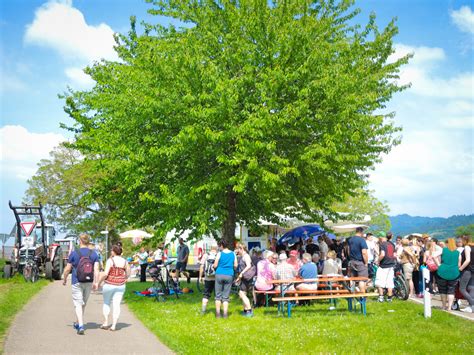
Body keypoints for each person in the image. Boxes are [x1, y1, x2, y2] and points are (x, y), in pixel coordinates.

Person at [62, 233, 99, 335]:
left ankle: (81, 326)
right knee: (83, 303)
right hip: (88, 281)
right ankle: (78, 322)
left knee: (78, 303)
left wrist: (64, 279)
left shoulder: (74, 253)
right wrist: (96, 282)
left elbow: (67, 269)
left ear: (80, 241)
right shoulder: (94, 254)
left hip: (76, 281)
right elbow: (96, 269)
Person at [98, 244, 131, 331]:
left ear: (113, 251)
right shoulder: (125, 261)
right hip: (120, 285)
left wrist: (99, 282)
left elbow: (105, 274)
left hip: (109, 284)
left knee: (106, 303)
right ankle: (114, 325)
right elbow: (128, 273)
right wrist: (125, 278)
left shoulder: (110, 260)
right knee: (117, 305)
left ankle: (105, 322)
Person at [213, 240, 237, 318]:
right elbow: (235, 265)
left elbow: (215, 265)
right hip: (229, 274)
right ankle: (225, 314)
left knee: (218, 295)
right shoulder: (233, 253)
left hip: (219, 274)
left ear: (222, 245)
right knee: (226, 296)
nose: (219, 247)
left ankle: (218, 314)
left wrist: (215, 266)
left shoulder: (220, 253)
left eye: (220, 245)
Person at [436, 238, 461, 311]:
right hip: (454, 273)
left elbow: (434, 255)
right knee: (451, 290)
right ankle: (449, 307)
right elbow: (459, 264)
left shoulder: (443, 250)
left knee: (443, 290)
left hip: (442, 272)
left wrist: (438, 265)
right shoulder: (457, 252)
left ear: (447, 243)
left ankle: (443, 306)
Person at [375, 233, 397, 302]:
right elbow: (394, 255)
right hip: (391, 265)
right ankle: (389, 298)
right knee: (390, 282)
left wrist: (377, 261)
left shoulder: (382, 244)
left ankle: (381, 297)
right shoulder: (392, 244)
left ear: (381, 237)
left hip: (383, 266)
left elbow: (382, 254)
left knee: (379, 281)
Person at [235, 243, 255, 317]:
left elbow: (249, 266)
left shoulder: (246, 256)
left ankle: (249, 310)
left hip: (246, 277)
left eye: (238, 249)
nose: (237, 251)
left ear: (241, 249)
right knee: (243, 293)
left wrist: (241, 274)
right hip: (244, 277)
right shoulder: (243, 256)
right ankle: (246, 310)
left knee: (241, 294)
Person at [348, 227, 369, 293]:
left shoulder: (350, 240)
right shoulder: (362, 240)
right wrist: (366, 262)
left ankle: (352, 294)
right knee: (362, 280)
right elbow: (364, 252)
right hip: (360, 262)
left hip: (351, 261)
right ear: (361, 232)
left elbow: (348, 250)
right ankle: (362, 296)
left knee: (352, 279)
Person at [199, 245, 218, 314]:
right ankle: (218, 312)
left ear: (210, 248)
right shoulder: (218, 255)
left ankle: (203, 311)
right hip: (217, 278)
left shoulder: (206, 255)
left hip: (208, 278)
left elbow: (201, 266)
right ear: (216, 248)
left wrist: (200, 277)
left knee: (206, 295)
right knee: (217, 296)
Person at [458, 235, 473, 313]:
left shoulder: (467, 247)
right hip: (473, 271)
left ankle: (472, 304)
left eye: (460, 240)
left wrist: (460, 268)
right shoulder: (473, 246)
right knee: (471, 288)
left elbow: (467, 260)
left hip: (467, 270)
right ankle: (471, 307)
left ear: (464, 240)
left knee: (462, 289)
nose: (459, 242)